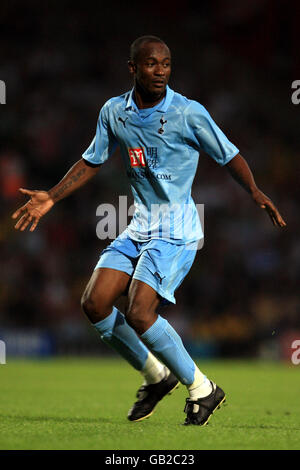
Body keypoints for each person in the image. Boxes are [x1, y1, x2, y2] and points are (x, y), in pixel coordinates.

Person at [12, 35, 286, 426]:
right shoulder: (113, 112)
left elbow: (229, 154)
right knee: (94, 303)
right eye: (152, 64)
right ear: (133, 68)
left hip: (176, 231)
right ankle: (156, 376)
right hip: (139, 225)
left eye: (167, 64)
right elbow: (92, 161)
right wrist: (52, 197)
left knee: (140, 311)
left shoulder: (188, 112)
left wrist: (255, 191)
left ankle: (202, 388)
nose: (160, 71)